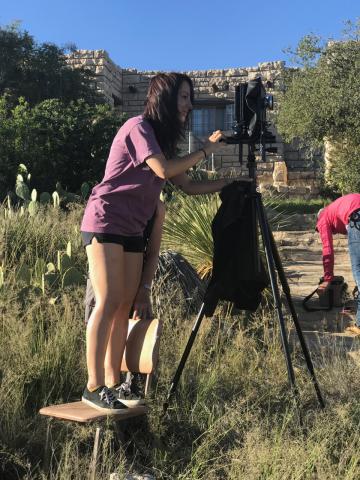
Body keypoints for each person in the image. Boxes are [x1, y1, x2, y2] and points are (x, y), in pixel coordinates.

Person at [80, 72, 251, 413]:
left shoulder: (160, 141)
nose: (190, 105)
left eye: (190, 98)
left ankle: (113, 383)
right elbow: (162, 170)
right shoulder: (138, 127)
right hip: (106, 219)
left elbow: (187, 186)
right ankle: (93, 386)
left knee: (124, 306)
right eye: (185, 97)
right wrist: (206, 150)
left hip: (132, 228)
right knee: (109, 300)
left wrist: (230, 184)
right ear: (166, 97)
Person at [316, 193, 360, 334]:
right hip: (356, 212)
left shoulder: (323, 217)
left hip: (357, 216)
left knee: (358, 269)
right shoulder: (337, 207)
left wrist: (327, 278)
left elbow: (327, 249)